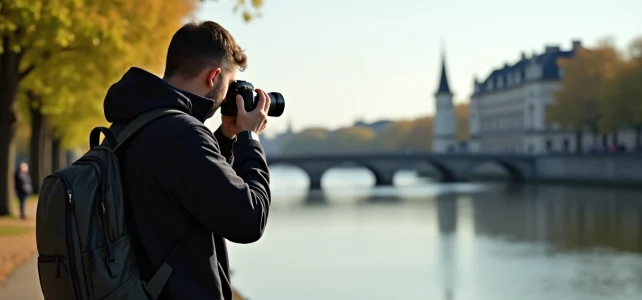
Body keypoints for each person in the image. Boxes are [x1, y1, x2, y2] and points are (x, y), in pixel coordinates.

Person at [103, 21, 271, 300]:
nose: (226, 97)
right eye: (228, 85)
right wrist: (249, 138)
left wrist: (227, 137)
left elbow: (184, 185)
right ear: (214, 76)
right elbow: (249, 219)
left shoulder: (133, 124)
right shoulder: (183, 135)